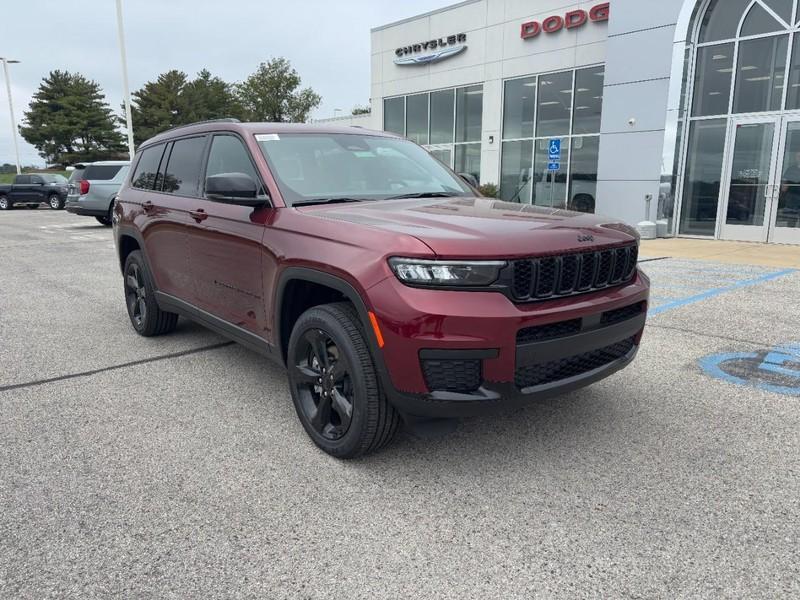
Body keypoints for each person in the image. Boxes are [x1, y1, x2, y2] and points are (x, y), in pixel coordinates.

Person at [779, 151, 800, 227]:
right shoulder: (791, 169)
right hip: (792, 196)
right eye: (798, 156)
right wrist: (782, 194)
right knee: (791, 218)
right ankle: (790, 233)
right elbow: (785, 183)